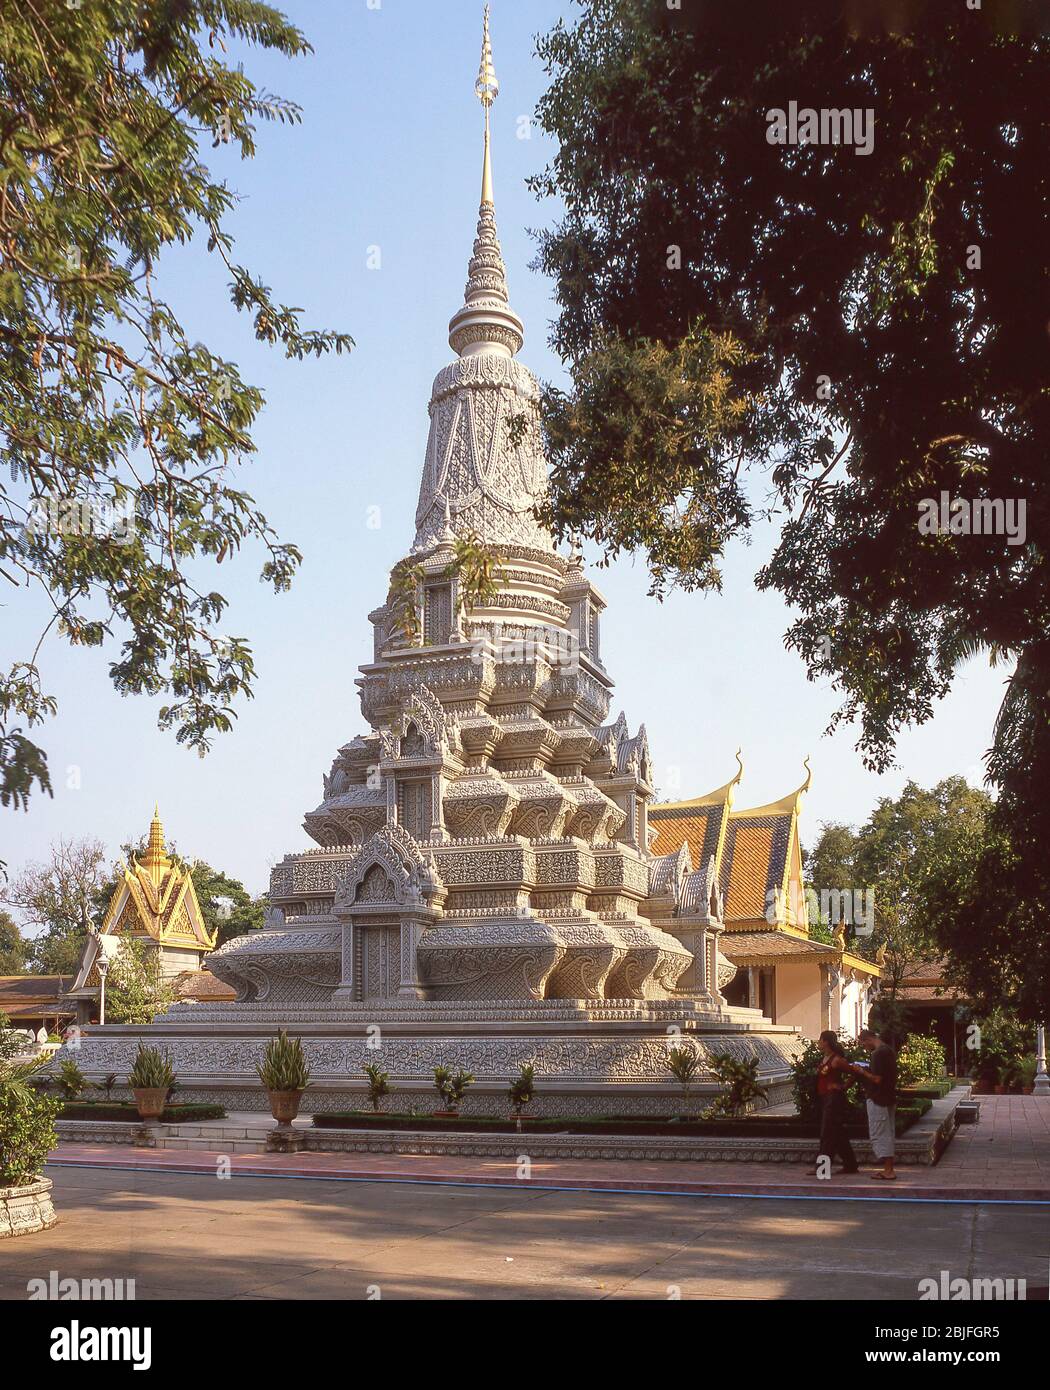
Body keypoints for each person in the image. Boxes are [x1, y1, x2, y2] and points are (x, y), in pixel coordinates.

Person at [809, 1030, 859, 1176]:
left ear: (826, 1042)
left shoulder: (837, 1060)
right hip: (825, 1098)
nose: (818, 1043)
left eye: (820, 1040)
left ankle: (822, 1168)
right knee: (838, 1133)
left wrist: (843, 1086)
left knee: (827, 1133)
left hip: (834, 1099)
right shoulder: (826, 1057)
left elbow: (854, 1072)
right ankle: (851, 1164)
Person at [854, 1026, 898, 1180]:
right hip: (888, 1096)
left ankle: (888, 1170)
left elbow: (877, 1079)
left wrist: (862, 1072)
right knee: (888, 1132)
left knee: (880, 1133)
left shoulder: (878, 1053)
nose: (864, 1048)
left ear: (867, 1039)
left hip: (879, 1098)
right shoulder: (888, 1050)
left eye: (863, 1044)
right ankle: (888, 1168)